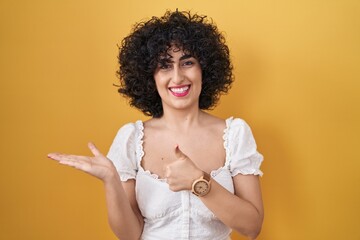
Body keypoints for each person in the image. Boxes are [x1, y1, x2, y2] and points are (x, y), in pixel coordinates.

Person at [48, 10, 264, 240]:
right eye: (165, 66)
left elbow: (252, 227)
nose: (178, 77)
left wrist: (199, 182)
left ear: (205, 69)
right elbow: (130, 235)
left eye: (187, 62)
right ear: (150, 76)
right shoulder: (131, 138)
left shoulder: (234, 134)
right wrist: (111, 180)